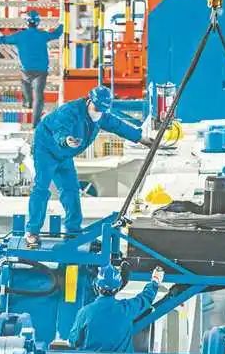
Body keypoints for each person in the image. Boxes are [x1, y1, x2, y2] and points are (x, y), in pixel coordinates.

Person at [25, 85, 147, 248]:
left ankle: (73, 232)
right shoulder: (70, 111)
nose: (99, 112)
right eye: (97, 108)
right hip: (46, 150)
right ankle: (32, 232)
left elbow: (118, 126)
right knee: (41, 188)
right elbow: (60, 129)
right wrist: (66, 140)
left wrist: (141, 139)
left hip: (64, 155)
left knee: (71, 190)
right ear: (89, 101)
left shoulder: (100, 115)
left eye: (102, 110)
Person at [0, 9, 64, 128]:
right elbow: (56, 34)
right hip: (41, 71)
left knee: (25, 84)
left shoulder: (20, 36)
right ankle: (36, 124)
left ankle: (27, 102)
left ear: (27, 22)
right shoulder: (43, 35)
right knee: (39, 97)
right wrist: (62, 24)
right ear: (38, 22)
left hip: (26, 70)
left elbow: (4, 39)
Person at [69, 264, 164, 353]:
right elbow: (146, 298)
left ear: (97, 286)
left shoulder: (84, 312)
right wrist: (155, 281)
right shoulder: (127, 309)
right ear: (118, 288)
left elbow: (73, 341)